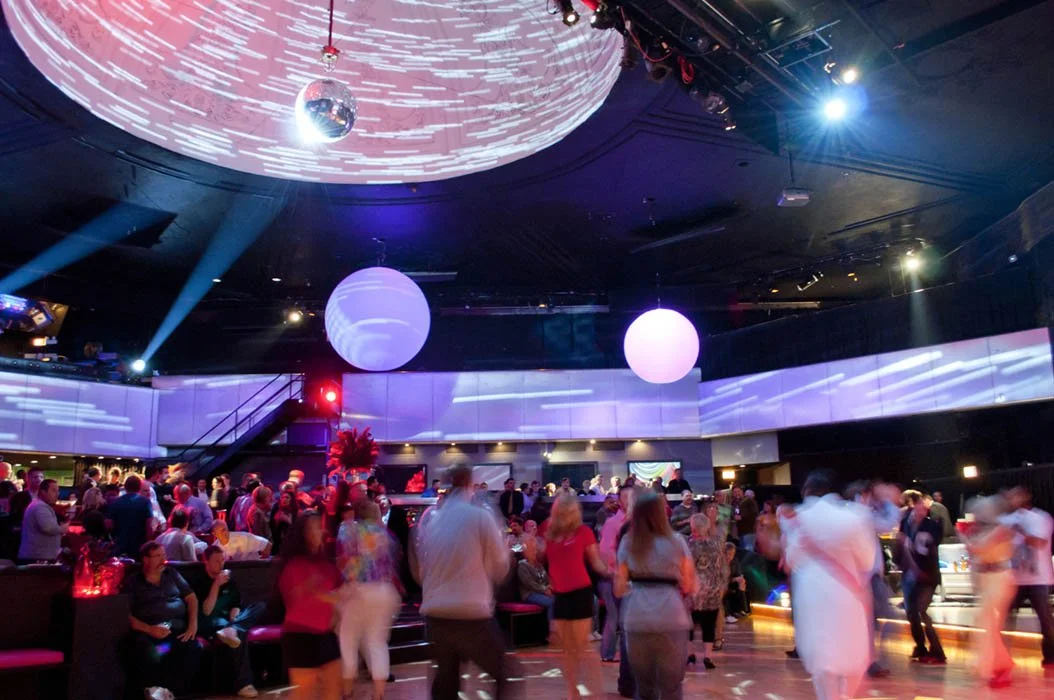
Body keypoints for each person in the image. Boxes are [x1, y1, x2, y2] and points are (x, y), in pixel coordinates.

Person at [415, 465, 514, 700]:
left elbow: (422, 568)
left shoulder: (433, 520)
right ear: (470, 485)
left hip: (436, 612)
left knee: (446, 679)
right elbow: (499, 567)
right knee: (503, 675)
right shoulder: (480, 516)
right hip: (469, 611)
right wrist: (505, 552)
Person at [780, 471, 873, 700]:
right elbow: (868, 560)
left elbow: (791, 559)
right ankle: (846, 696)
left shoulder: (798, 519)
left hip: (811, 595)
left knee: (822, 661)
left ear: (806, 491)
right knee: (852, 654)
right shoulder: (854, 517)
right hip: (847, 592)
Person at [615, 491, 696, 700]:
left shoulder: (628, 542)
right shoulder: (677, 542)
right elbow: (689, 585)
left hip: (637, 615)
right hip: (671, 615)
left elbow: (619, 588)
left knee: (644, 687)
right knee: (671, 686)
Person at [545, 492, 609, 700]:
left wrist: (613, 572)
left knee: (582, 646)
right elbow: (547, 562)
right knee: (567, 650)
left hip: (580, 592)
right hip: (560, 595)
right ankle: (572, 692)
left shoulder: (583, 532)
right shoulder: (550, 533)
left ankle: (596, 692)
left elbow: (596, 563)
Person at [337, 499, 402, 700]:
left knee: (348, 638)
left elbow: (342, 560)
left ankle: (347, 691)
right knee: (377, 642)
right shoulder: (386, 535)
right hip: (384, 591)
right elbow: (394, 562)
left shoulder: (348, 530)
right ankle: (379, 694)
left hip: (358, 589)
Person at [124, 541, 203, 698]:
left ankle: (168, 692)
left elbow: (191, 598)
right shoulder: (134, 582)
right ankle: (156, 691)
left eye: (164, 555)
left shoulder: (172, 574)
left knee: (193, 648)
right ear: (146, 559)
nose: (163, 560)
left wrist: (193, 624)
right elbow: (125, 614)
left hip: (176, 632)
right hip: (150, 634)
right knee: (149, 651)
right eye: (158, 556)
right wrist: (149, 629)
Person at [845, 480, 901, 678]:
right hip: (869, 577)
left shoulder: (848, 514)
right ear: (863, 495)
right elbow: (888, 524)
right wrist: (889, 501)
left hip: (856, 577)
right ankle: (871, 660)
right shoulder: (863, 515)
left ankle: (865, 659)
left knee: (867, 622)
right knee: (887, 619)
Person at [193, 546, 260, 697]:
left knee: (258, 606)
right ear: (206, 562)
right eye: (216, 561)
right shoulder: (199, 582)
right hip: (209, 622)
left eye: (222, 560)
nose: (221, 564)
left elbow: (236, 604)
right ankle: (244, 684)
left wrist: (235, 615)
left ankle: (233, 628)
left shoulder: (229, 581)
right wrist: (216, 584)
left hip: (228, 623)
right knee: (240, 632)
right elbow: (206, 611)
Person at [964, 495, 1016, 687]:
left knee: (990, 625)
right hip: (987, 580)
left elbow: (978, 549)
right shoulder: (984, 530)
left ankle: (1002, 667)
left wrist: (963, 535)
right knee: (988, 625)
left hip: (999, 579)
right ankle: (998, 667)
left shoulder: (1002, 529)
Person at [1000, 485, 1054, 666]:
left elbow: (1039, 542)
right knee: (1005, 618)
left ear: (1026, 496)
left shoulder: (1041, 518)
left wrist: (1020, 531)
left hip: (1039, 578)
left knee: (1045, 620)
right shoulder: (1008, 519)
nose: (1012, 499)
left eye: (1016, 495)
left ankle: (1050, 657)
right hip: (1016, 579)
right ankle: (1002, 656)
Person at [898, 490, 946, 664]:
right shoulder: (906, 523)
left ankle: (937, 651)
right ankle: (920, 647)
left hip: (926, 576)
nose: (920, 510)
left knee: (920, 610)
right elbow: (903, 545)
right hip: (911, 575)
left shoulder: (932, 525)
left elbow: (930, 548)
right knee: (912, 612)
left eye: (923, 508)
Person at [597, 484, 634, 663]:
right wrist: (619, 571)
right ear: (620, 501)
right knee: (614, 616)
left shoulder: (637, 522)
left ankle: (627, 654)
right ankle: (608, 652)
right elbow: (605, 551)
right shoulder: (613, 523)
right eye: (626, 497)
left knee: (625, 617)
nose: (630, 501)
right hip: (613, 576)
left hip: (629, 576)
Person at [687, 513, 727, 670]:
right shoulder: (716, 544)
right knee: (709, 624)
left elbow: (687, 567)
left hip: (695, 590)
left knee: (690, 623)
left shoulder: (691, 545)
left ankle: (690, 654)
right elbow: (723, 566)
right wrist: (722, 585)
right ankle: (708, 656)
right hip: (714, 589)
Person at [18, 479, 66, 563]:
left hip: (39, 556)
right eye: (53, 491)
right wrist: (62, 528)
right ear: (43, 492)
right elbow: (48, 528)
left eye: (58, 491)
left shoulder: (39, 505)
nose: (57, 494)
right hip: (37, 558)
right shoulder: (40, 507)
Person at [108, 475, 154, 557]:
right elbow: (149, 525)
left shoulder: (115, 502)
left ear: (125, 487)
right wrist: (149, 543)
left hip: (120, 544)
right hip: (139, 545)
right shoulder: (145, 502)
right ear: (139, 487)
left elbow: (109, 524)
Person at [517, 535, 554, 617]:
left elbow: (546, 579)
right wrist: (544, 590)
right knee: (552, 602)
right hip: (530, 594)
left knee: (560, 600)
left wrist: (549, 587)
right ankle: (552, 624)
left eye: (535, 549)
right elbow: (529, 583)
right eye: (531, 549)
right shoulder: (522, 565)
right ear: (525, 551)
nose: (535, 552)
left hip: (541, 592)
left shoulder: (539, 565)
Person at [723, 543, 750, 619]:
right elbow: (721, 579)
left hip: (730, 583)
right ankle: (729, 613)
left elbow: (739, 574)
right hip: (721, 584)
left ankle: (740, 610)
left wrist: (741, 580)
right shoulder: (719, 562)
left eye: (732, 554)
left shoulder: (735, 561)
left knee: (742, 584)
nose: (729, 556)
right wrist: (734, 579)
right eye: (727, 554)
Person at [271, 489, 299, 554]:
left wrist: (289, 521)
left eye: (287, 497)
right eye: (282, 497)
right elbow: (272, 528)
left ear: (292, 500)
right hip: (277, 545)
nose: (284, 499)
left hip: (291, 544)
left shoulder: (295, 512)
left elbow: (296, 530)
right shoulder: (276, 509)